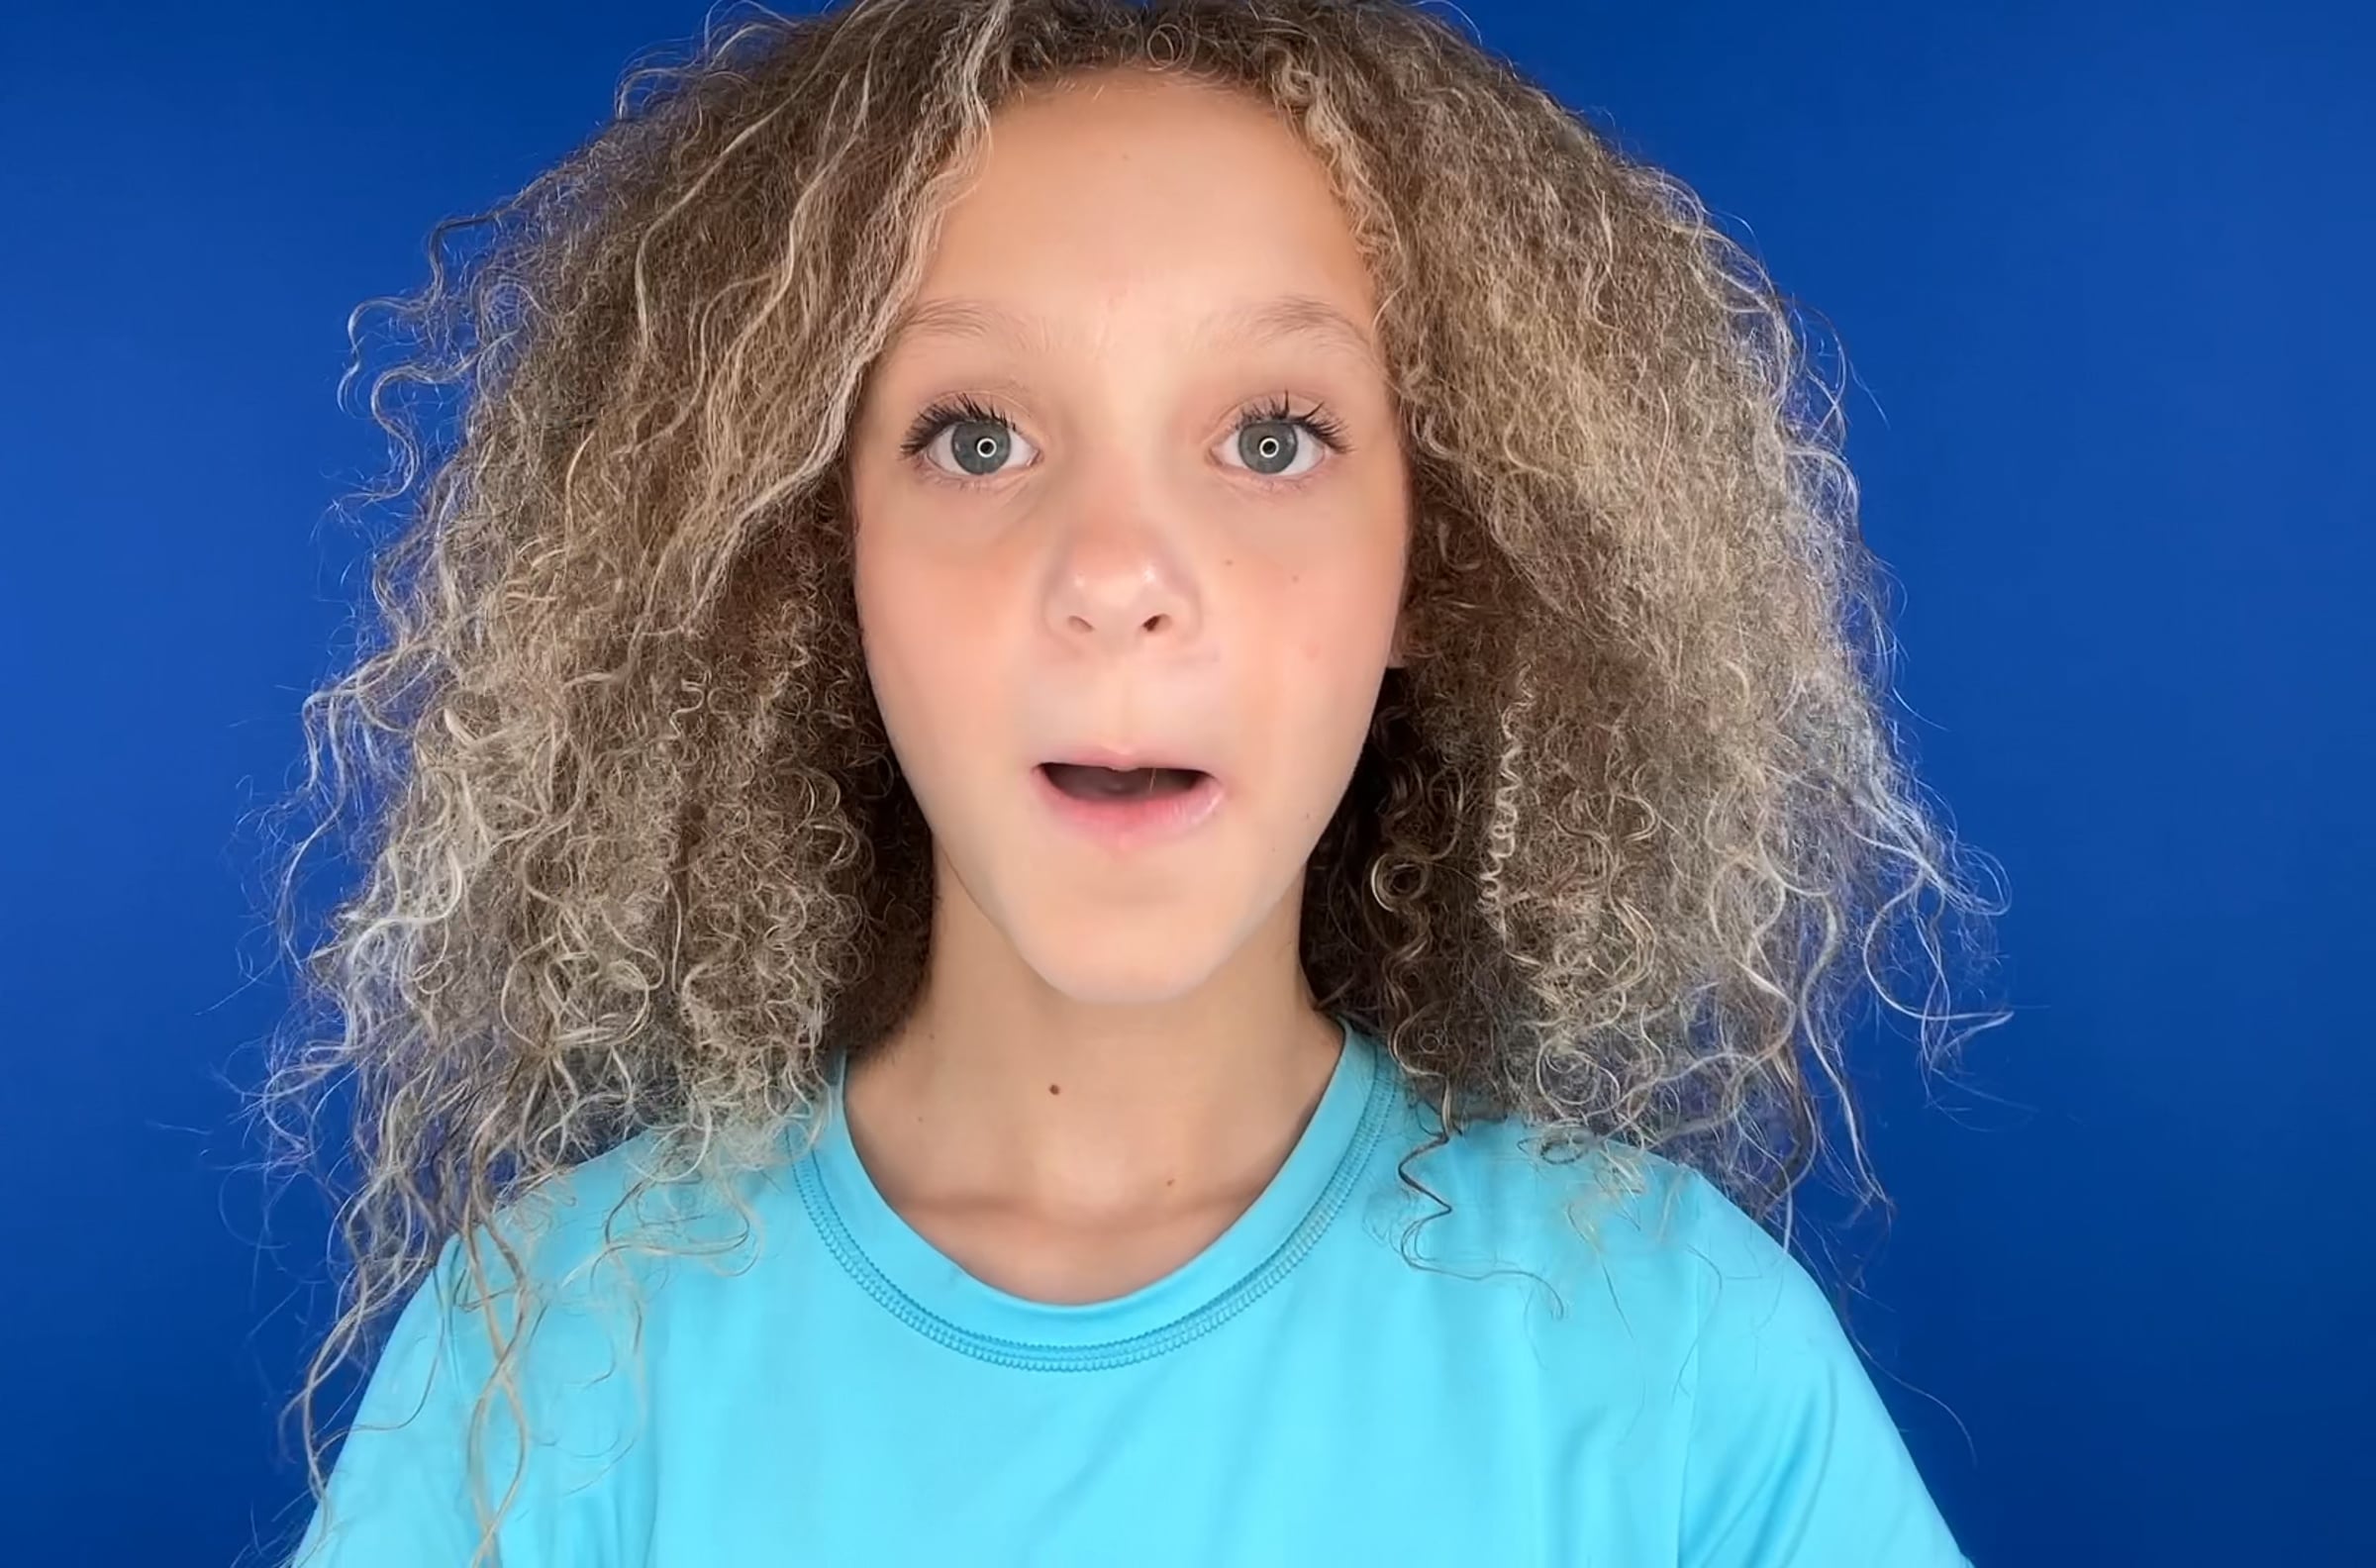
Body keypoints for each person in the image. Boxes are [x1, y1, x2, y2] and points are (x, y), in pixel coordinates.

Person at [257, 2, 2006, 1564]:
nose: (1116, 574)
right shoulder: (553, 1356)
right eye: (977, 438)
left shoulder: (1682, 1368)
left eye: (1271, 439)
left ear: (1438, 561)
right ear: (820, 561)